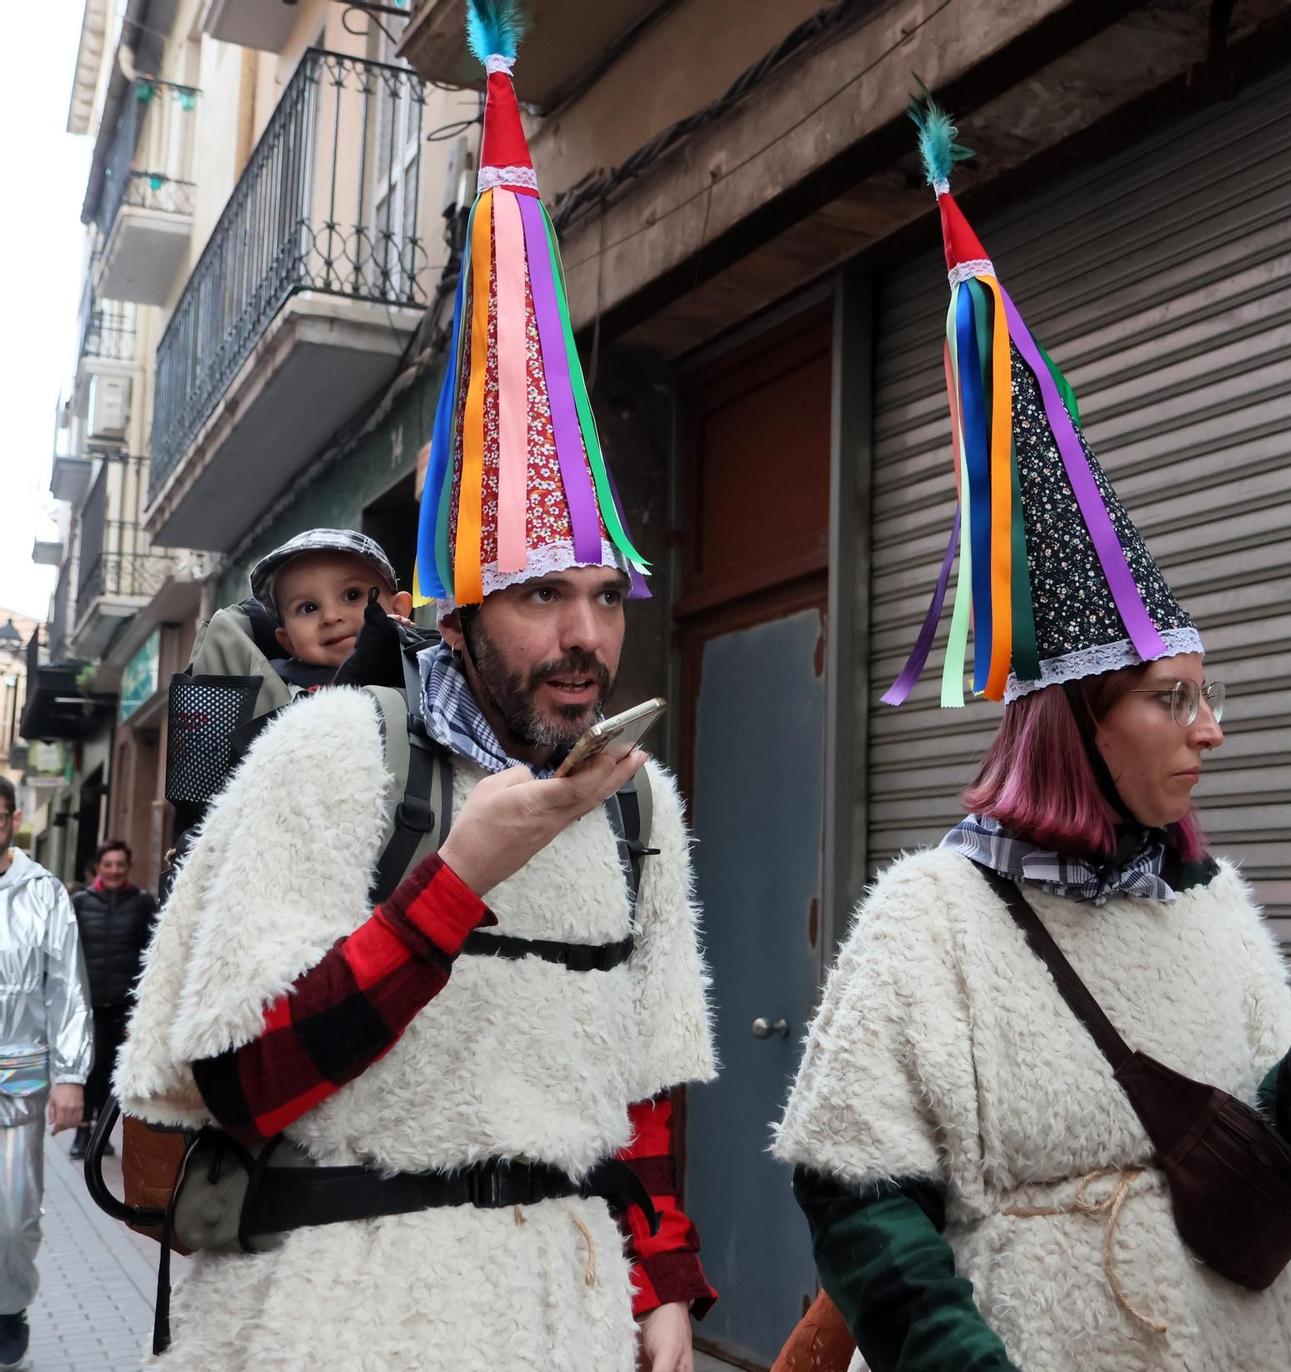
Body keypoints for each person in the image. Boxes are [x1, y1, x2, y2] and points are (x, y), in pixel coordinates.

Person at [113, 15, 715, 1369]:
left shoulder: (637, 810)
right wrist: (454, 884)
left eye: (607, 599)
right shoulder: (337, 755)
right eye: (542, 598)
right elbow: (242, 1077)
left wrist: (662, 1280)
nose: (585, 639)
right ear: (452, 614)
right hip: (342, 1320)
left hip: (561, 1315)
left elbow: (646, 1077)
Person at [774, 105, 1291, 1372]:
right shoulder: (929, 917)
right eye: (1174, 698)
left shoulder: (1209, 904)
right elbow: (855, 1188)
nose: (1212, 730)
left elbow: (1258, 1169)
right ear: (1073, 725)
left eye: (1207, 693)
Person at [0, 778, 92, 1369]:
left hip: (18, 1075)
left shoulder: (42, 892)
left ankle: (7, 1309)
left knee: (12, 1212)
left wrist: (71, 1075)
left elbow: (68, 988)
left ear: (10, 818)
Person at [67, 838, 157, 1158]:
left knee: (112, 1070)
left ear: (128, 867)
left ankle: (102, 1135)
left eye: (120, 865)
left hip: (123, 1005)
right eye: (109, 865)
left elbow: (152, 953)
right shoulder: (80, 902)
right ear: (98, 867)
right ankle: (82, 1132)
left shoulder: (143, 904)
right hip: (88, 1002)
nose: (115, 870)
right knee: (86, 1067)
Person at [249, 527, 415, 691]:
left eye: (352, 595)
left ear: (397, 609)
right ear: (289, 642)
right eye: (309, 608)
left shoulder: (428, 665)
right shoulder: (280, 692)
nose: (330, 616)